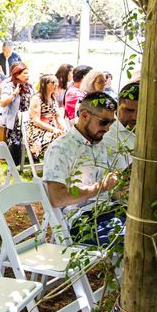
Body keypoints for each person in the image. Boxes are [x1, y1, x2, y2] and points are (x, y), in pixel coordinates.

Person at [43, 91, 124, 244]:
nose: (107, 129)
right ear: (84, 115)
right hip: (81, 221)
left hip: (108, 210)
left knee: (149, 226)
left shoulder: (99, 145)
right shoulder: (60, 149)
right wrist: (100, 187)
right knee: (132, 238)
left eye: (111, 123)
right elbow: (57, 198)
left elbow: (109, 190)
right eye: (103, 122)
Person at [1, 62, 35, 163]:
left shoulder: (30, 87)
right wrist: (14, 94)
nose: (27, 76)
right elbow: (2, 103)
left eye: (28, 73)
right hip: (15, 120)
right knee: (15, 153)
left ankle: (32, 154)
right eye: (25, 73)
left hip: (28, 118)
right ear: (17, 75)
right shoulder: (9, 86)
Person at [26, 74, 65, 160]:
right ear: (44, 84)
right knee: (58, 139)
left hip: (51, 128)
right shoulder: (36, 98)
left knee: (67, 136)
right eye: (53, 82)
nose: (56, 84)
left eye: (56, 82)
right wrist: (53, 129)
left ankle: (61, 164)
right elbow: (36, 121)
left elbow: (58, 115)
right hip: (37, 131)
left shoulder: (53, 98)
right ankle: (55, 164)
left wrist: (62, 126)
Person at [102, 81, 139, 169]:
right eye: (129, 110)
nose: (135, 117)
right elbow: (126, 173)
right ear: (117, 106)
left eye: (140, 111)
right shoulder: (108, 133)